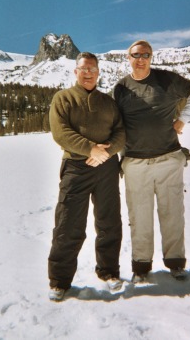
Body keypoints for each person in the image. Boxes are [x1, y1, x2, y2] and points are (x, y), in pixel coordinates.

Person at [113, 40, 190, 282]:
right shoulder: (121, 88)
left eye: (146, 54)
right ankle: (141, 268)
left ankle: (176, 263)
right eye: (136, 54)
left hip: (168, 159)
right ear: (129, 58)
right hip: (135, 163)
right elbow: (116, 124)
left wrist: (183, 118)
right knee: (139, 217)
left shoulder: (167, 79)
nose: (140, 58)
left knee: (172, 213)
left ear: (151, 57)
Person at [48, 52, 125, 301]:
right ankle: (59, 281)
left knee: (109, 222)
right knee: (68, 224)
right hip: (75, 168)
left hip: (106, 169)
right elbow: (60, 133)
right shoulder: (63, 99)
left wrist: (107, 152)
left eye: (92, 68)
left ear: (98, 72)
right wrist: (91, 148)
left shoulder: (109, 102)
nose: (88, 73)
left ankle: (109, 272)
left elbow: (120, 132)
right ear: (76, 72)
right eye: (83, 69)